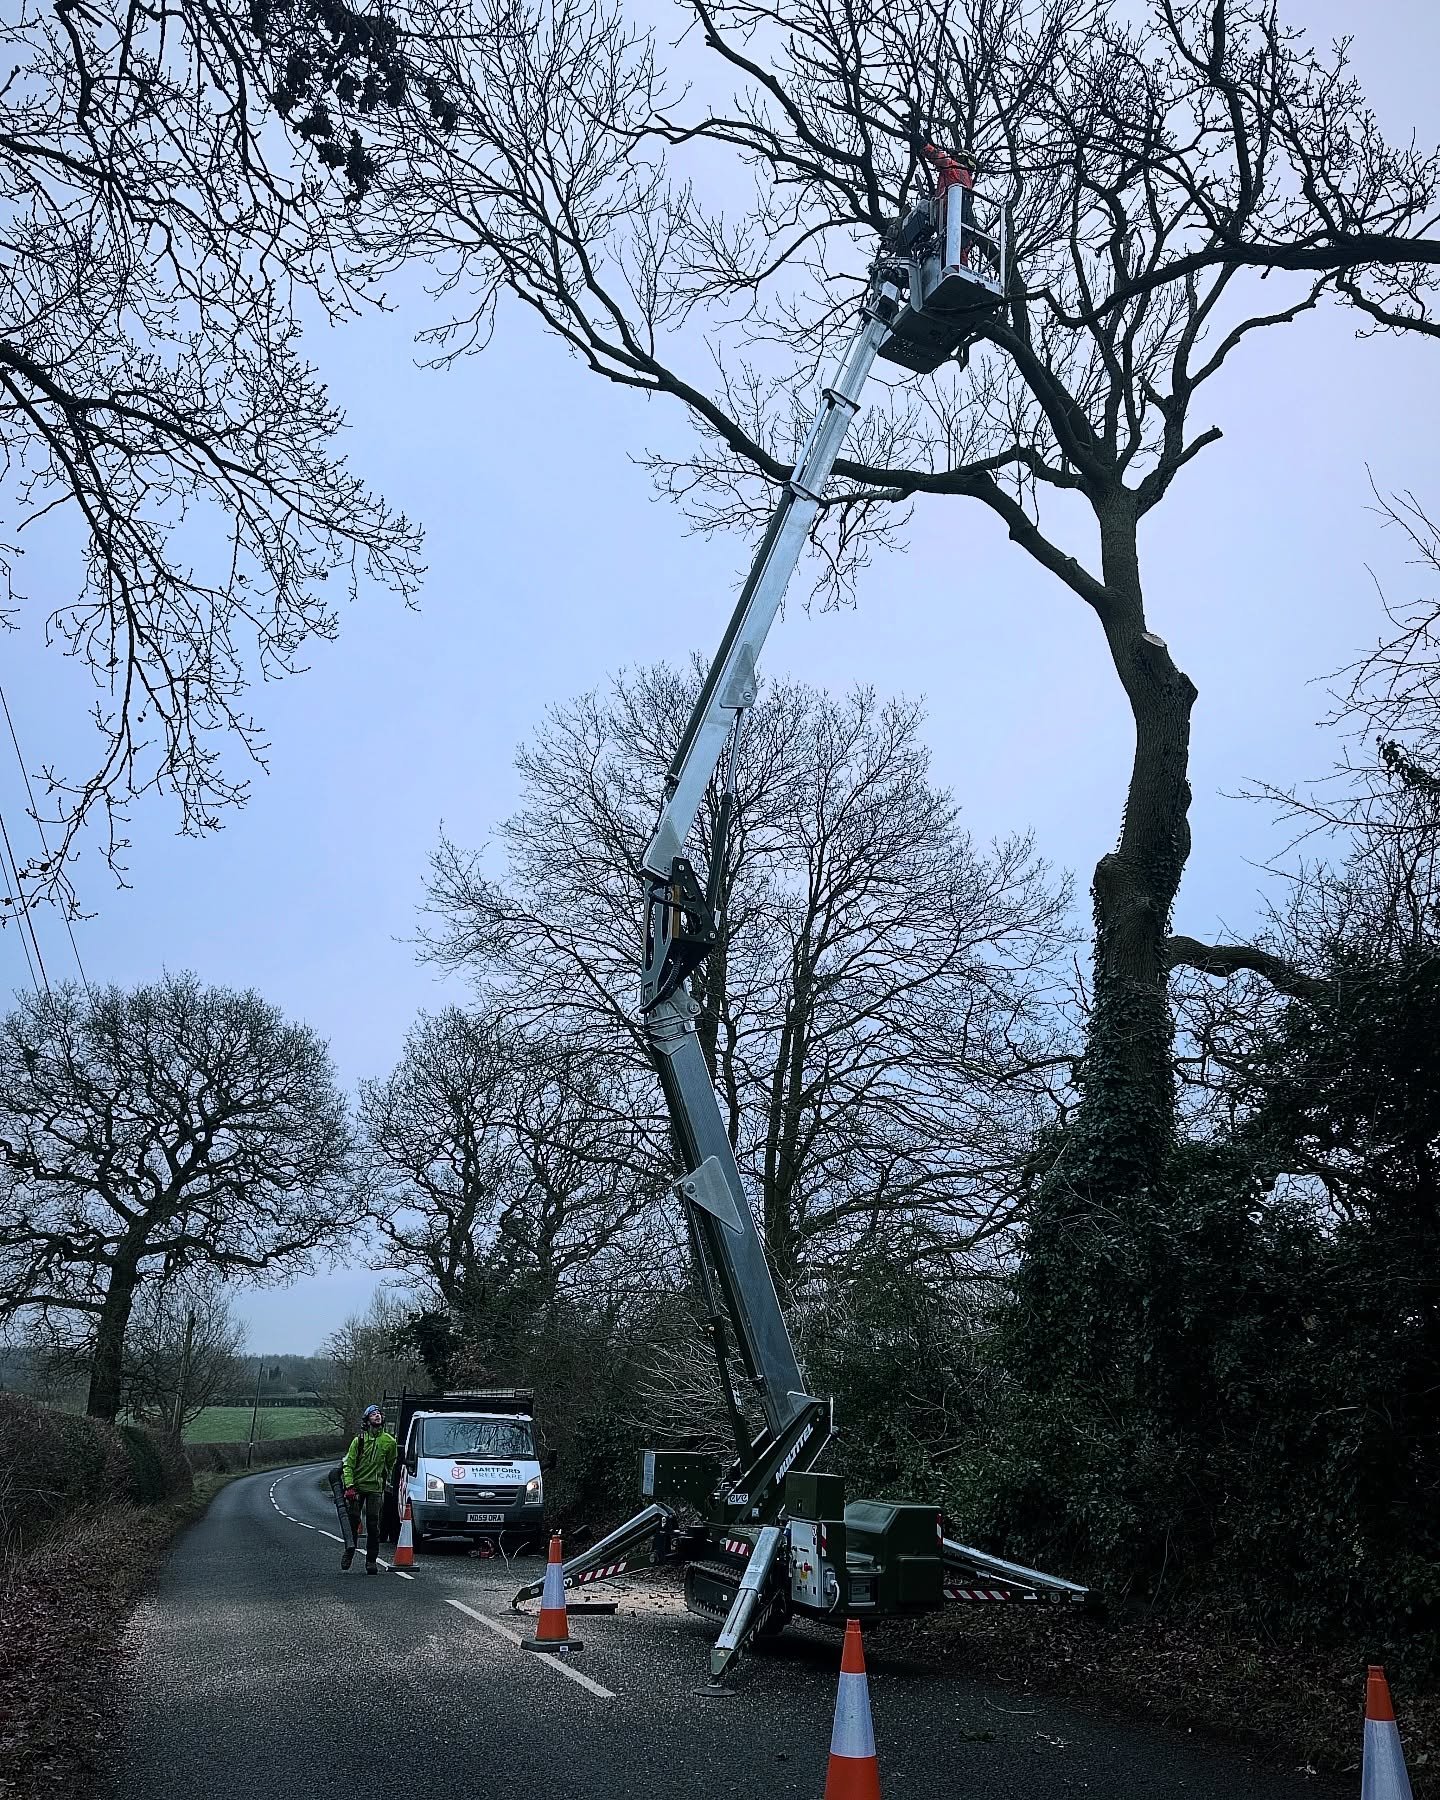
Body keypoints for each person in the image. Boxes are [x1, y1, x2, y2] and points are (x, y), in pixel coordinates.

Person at [340, 1403, 398, 1574]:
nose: (377, 1416)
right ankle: (349, 1551)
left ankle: (371, 1561)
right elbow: (348, 1465)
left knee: (373, 1525)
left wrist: (383, 1481)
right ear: (367, 1420)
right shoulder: (359, 1441)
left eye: (379, 1414)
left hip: (375, 1489)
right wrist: (349, 1485)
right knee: (353, 1521)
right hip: (356, 1488)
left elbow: (390, 1463)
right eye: (373, 1414)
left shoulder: (389, 1441)